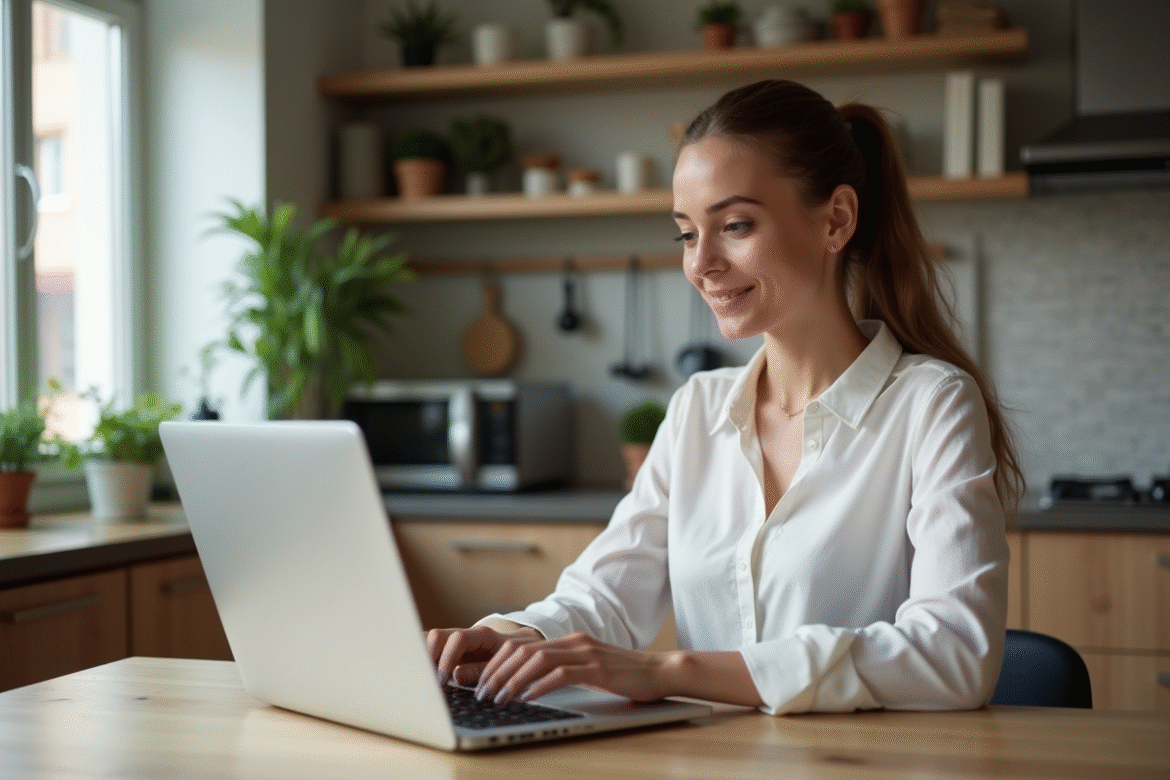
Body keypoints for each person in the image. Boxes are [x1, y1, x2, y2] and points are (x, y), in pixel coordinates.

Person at [428, 79, 1025, 715]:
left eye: (734, 225)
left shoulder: (932, 405)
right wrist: (509, 638)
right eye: (686, 234)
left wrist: (670, 670)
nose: (701, 263)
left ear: (837, 220)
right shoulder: (697, 409)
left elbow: (954, 657)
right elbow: (604, 598)